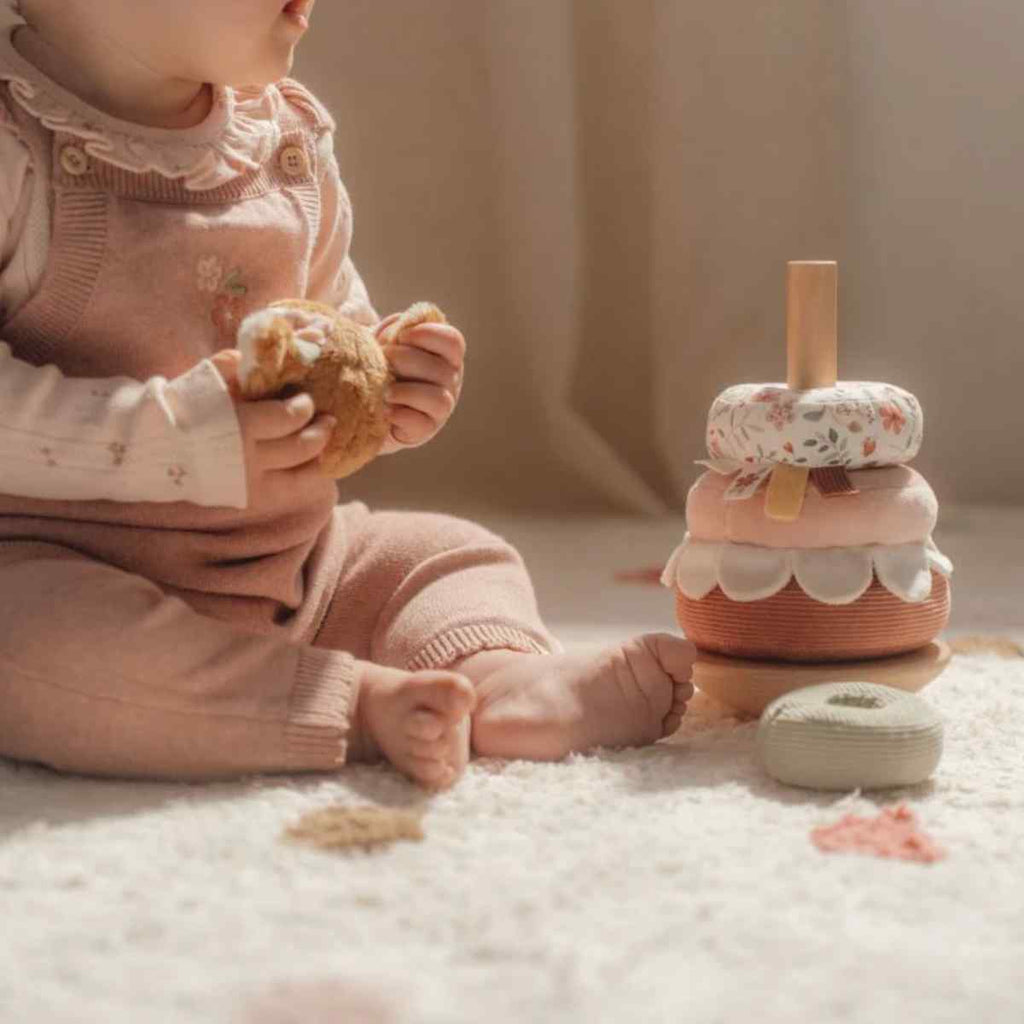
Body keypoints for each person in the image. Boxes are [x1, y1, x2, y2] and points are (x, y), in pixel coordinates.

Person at [0, 0, 695, 789]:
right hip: (51, 564)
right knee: (29, 651)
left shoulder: (284, 141)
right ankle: (353, 705)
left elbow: (332, 332)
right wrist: (162, 440)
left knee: (449, 553)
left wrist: (389, 386)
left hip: (295, 566)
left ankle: (496, 678)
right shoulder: (15, 147)